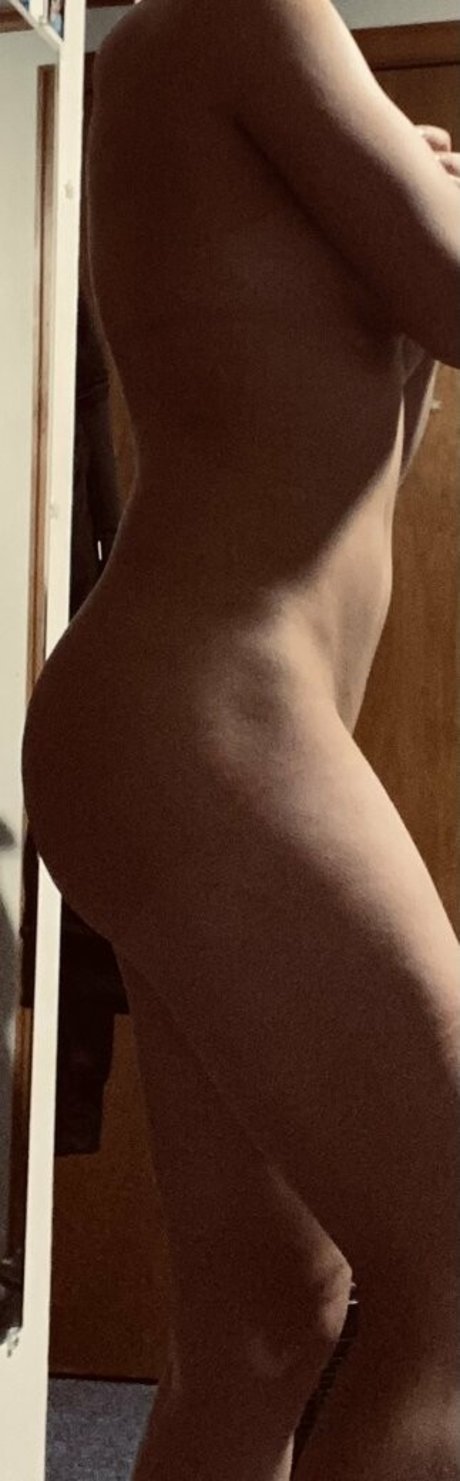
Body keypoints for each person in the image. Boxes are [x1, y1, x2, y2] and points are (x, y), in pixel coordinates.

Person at [21, 1, 460, 1478]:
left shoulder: (222, 42)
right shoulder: (247, 14)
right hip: (206, 719)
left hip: (200, 726)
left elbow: (351, 422)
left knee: (271, 1321)